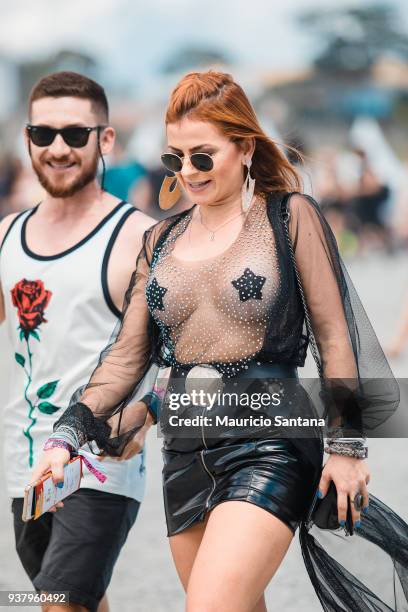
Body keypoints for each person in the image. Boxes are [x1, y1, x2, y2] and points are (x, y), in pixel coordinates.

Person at [33, 71, 407, 612]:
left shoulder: (289, 216)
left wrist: (346, 447)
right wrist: (65, 435)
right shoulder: (160, 238)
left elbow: (334, 335)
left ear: (245, 147)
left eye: (202, 156)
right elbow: (126, 355)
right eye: (174, 158)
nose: (187, 172)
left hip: (270, 445)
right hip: (184, 456)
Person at [0, 71, 154, 612]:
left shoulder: (138, 236)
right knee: (76, 599)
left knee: (59, 604)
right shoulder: (6, 236)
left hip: (98, 463)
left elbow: (174, 349)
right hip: (25, 463)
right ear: (27, 140)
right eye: (43, 135)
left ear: (105, 139)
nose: (58, 148)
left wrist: (146, 415)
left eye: (75, 134)